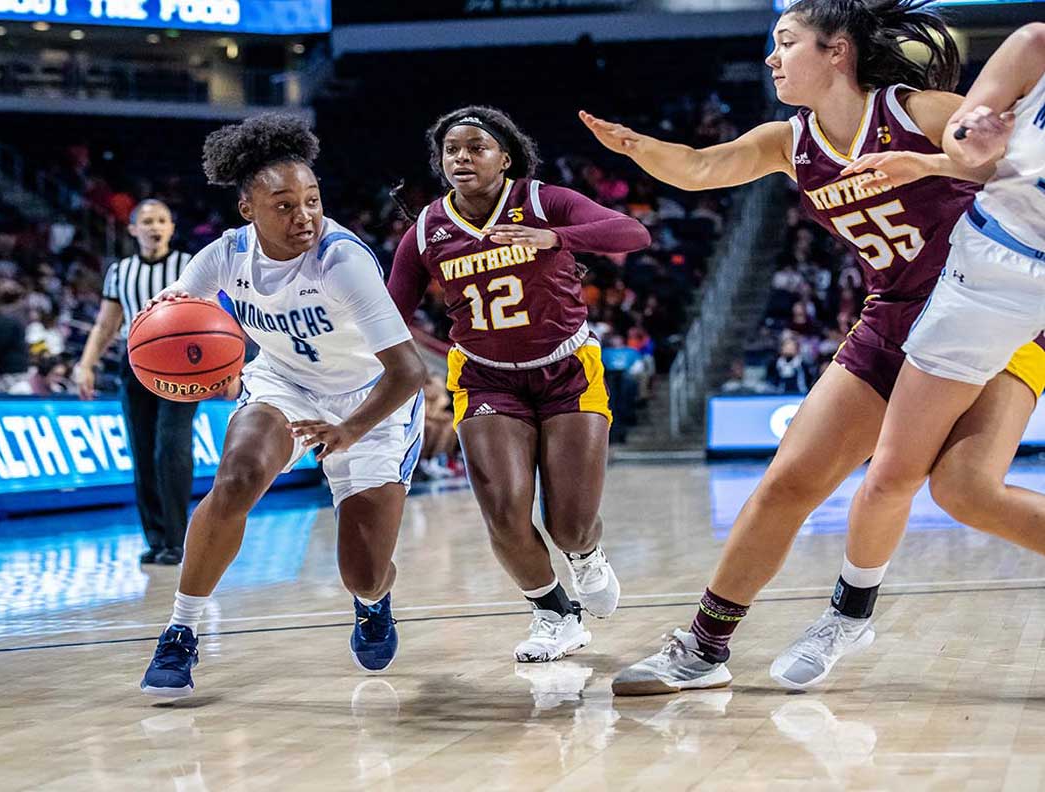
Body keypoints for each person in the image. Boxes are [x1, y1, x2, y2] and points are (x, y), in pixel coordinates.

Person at [582, 0, 1045, 695]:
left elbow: (1011, 175)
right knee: (787, 481)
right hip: (891, 319)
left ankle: (846, 611)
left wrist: (939, 162)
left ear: (837, 52)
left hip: (992, 312)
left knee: (964, 491)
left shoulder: (916, 110)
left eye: (786, 42)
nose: (772, 57)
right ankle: (704, 649)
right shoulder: (786, 141)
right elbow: (704, 168)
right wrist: (639, 149)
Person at [771, 23, 1045, 689]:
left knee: (965, 489)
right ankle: (848, 614)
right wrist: (954, 149)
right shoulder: (1035, 45)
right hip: (994, 270)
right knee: (897, 475)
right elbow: (969, 145)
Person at [137, 114, 427, 699]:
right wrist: (172, 338)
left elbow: (409, 371)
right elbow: (174, 321)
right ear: (248, 209)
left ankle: (373, 603)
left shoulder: (342, 260)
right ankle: (180, 632)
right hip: (284, 383)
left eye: (313, 201)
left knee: (363, 572)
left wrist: (347, 429)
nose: (305, 217)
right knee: (238, 476)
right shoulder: (224, 255)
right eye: (285, 205)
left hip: (370, 400)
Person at [388, 106, 650, 662]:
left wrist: (552, 239)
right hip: (485, 379)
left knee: (571, 525)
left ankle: (586, 557)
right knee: (504, 514)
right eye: (451, 149)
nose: (462, 157)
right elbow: (393, 312)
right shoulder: (426, 230)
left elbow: (632, 231)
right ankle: (554, 613)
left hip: (567, 369)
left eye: (476, 147)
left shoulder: (541, 200)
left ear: (504, 157)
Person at [76, 198, 198, 566]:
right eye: (146, 221)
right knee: (143, 452)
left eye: (161, 220)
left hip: (180, 367)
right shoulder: (120, 271)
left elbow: (212, 316)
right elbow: (106, 323)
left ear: (171, 228)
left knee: (170, 447)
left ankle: (177, 539)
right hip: (135, 366)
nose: (154, 226)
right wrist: (86, 364)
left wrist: (229, 367)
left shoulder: (187, 266)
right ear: (133, 229)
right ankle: (156, 537)